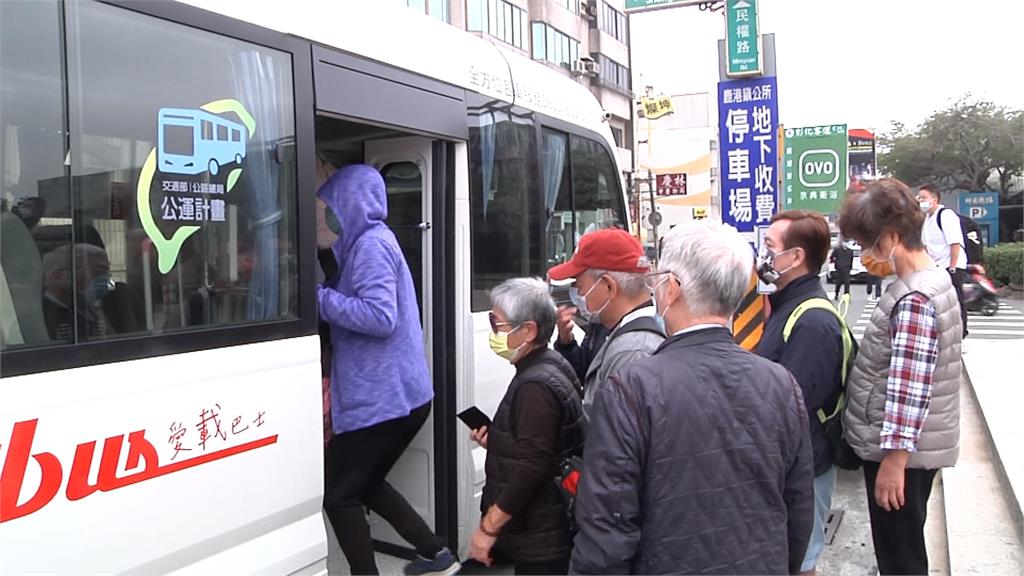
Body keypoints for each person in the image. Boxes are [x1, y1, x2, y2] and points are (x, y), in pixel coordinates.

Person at [571, 219, 814, 575]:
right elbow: (797, 508)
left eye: (657, 282)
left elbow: (607, 528)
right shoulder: (781, 384)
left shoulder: (632, 387)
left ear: (672, 289)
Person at [317, 164, 458, 576]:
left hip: (384, 398)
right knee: (367, 482)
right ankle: (438, 556)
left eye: (331, 207)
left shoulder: (372, 246)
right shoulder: (366, 243)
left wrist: (318, 299)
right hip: (400, 396)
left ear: (350, 206)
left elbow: (380, 317)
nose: (327, 216)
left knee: (339, 492)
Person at [839, 178, 962, 576]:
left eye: (866, 243)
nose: (864, 254)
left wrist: (894, 460)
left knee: (901, 559)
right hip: (911, 451)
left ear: (891, 237)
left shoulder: (913, 298)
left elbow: (909, 387)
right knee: (903, 548)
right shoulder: (930, 279)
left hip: (901, 457)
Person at [754, 210, 850, 576]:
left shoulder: (813, 322)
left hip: (804, 466)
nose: (763, 257)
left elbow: (791, 407)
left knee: (801, 563)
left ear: (795, 257)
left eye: (769, 248)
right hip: (790, 464)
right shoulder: (788, 306)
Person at [469, 277, 584, 575]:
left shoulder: (535, 385)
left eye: (498, 324)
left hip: (540, 533)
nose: (493, 333)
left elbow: (533, 466)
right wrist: (497, 442)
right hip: (542, 527)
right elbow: (540, 443)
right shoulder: (548, 364)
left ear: (528, 330)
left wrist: (488, 528)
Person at [547, 229, 664, 420]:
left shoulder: (633, 351)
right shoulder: (622, 333)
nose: (577, 294)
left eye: (579, 285)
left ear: (609, 286)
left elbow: (615, 440)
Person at [917, 184, 968, 338]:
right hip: (937, 267)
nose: (921, 201)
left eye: (923, 198)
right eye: (919, 198)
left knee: (956, 301)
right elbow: (925, 246)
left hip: (952, 265)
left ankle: (962, 335)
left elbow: (955, 243)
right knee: (940, 304)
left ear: (935, 198)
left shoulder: (946, 215)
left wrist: (952, 267)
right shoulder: (926, 219)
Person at [831, 237, 854, 301]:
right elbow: (832, 257)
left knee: (847, 283)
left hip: (847, 269)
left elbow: (852, 259)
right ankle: (836, 294)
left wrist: (850, 267)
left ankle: (846, 296)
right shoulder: (837, 250)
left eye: (846, 243)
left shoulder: (850, 251)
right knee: (838, 283)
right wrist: (836, 263)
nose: (845, 244)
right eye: (844, 243)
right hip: (839, 269)